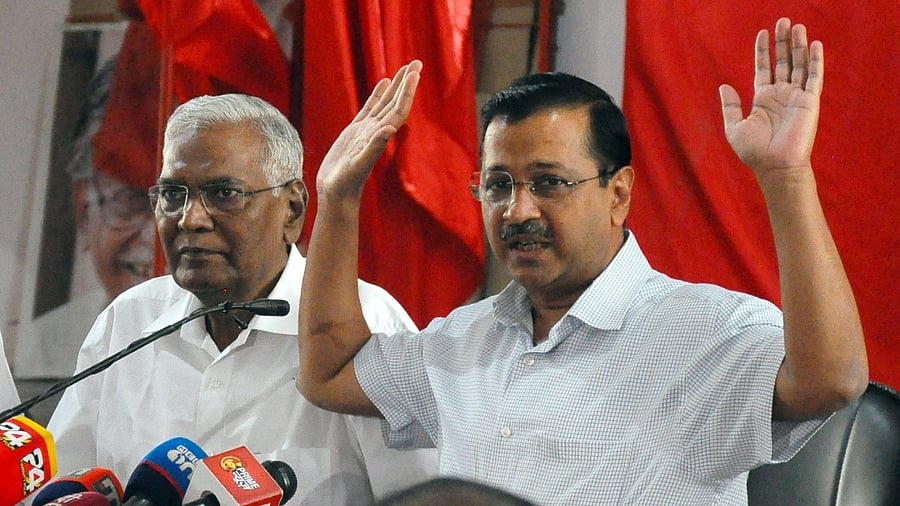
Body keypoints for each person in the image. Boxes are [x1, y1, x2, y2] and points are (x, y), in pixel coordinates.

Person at [295, 18, 868, 504]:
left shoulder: (708, 332)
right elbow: (327, 374)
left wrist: (786, 177)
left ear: (619, 193)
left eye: (548, 182)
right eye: (498, 185)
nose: (518, 211)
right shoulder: (463, 340)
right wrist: (340, 197)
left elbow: (831, 383)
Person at [47, 93, 437, 504]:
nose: (191, 219)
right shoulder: (126, 322)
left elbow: (431, 498)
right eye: (172, 194)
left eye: (223, 194)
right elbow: (60, 488)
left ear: (292, 209)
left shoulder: (367, 327)